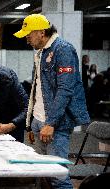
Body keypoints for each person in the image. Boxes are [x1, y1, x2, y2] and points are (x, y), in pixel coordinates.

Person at [14, 14, 90, 189]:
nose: (26, 40)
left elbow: (65, 89)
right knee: (41, 174)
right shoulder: (41, 53)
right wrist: (30, 123)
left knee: (58, 177)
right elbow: (36, 89)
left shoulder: (63, 49)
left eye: (28, 35)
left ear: (41, 32)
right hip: (39, 121)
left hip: (54, 124)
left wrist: (51, 123)